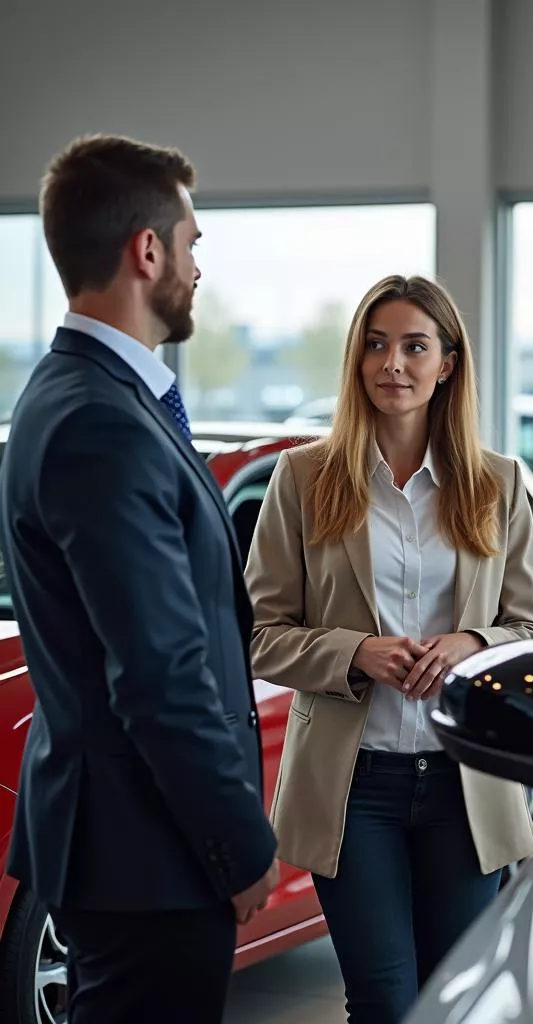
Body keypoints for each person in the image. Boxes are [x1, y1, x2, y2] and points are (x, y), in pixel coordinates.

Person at [0, 135, 278, 1024]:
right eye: (191, 243)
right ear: (146, 250)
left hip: (122, 845)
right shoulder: (101, 423)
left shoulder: (71, 395)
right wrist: (237, 844)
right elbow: (160, 675)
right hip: (148, 857)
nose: (198, 267)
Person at [246, 274, 533, 1023]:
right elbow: (260, 634)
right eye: (376, 345)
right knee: (382, 999)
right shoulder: (304, 479)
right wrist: (355, 653)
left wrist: (471, 643)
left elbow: (530, 632)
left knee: (451, 999)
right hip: (353, 790)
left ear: (447, 363)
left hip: (462, 785)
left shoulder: (498, 485)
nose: (392, 364)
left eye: (415, 346)